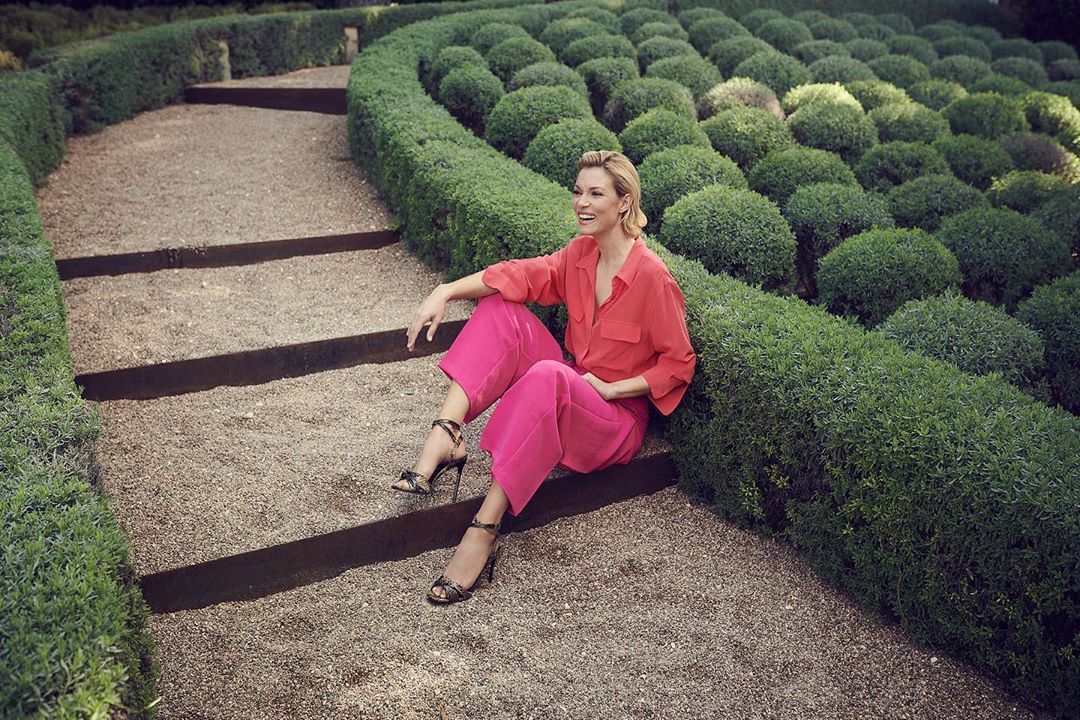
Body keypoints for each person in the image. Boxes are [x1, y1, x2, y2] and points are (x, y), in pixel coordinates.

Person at [396, 150, 697, 604]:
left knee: (548, 373)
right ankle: (447, 434)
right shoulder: (580, 254)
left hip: (615, 421)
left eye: (596, 194)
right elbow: (518, 275)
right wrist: (446, 290)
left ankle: (485, 527)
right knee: (500, 310)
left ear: (624, 202)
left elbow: (679, 363)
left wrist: (613, 387)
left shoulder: (653, 278)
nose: (582, 203)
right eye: (578, 192)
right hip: (570, 384)